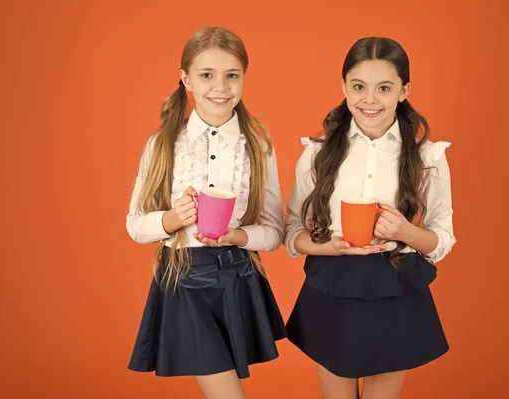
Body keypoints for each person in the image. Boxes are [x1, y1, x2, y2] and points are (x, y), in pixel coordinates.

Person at [284, 36, 456, 399]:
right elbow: (292, 230)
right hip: (332, 285)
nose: (370, 99)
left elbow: (442, 238)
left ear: (404, 90)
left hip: (397, 286)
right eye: (359, 86)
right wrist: (330, 247)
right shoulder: (316, 154)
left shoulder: (429, 157)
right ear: (344, 86)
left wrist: (408, 231)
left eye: (384, 88)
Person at [126, 26, 286, 399]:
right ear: (186, 79)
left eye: (232, 75)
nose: (220, 87)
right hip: (184, 278)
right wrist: (172, 219)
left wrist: (239, 237)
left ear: (244, 77)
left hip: (237, 275)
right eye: (206, 75)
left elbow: (276, 232)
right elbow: (135, 224)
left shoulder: (258, 146)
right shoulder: (163, 143)